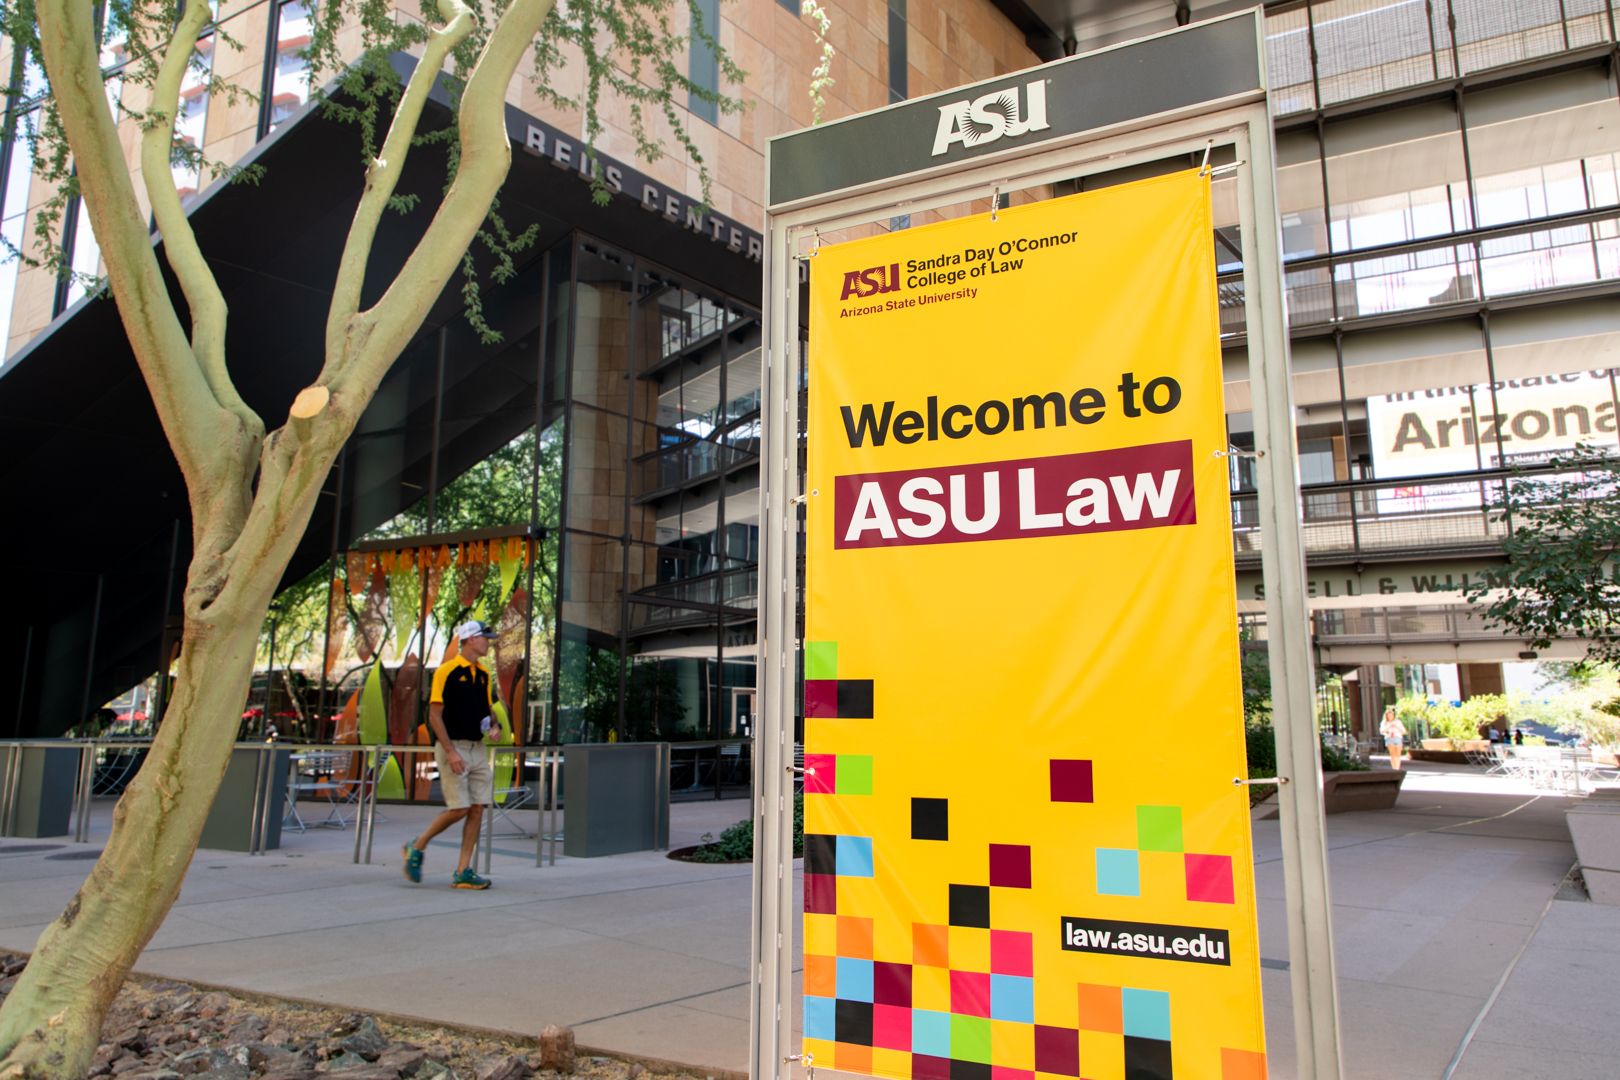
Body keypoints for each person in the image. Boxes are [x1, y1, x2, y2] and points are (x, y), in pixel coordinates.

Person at [402, 620, 500, 890]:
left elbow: (487, 710)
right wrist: (450, 751)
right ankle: (417, 846)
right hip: (453, 746)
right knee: (460, 808)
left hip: (477, 748)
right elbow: (434, 715)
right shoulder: (446, 672)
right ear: (470, 639)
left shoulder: (483, 674)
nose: (488, 642)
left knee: (478, 808)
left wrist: (495, 725)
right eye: (485, 638)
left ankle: (463, 870)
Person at [1379, 707, 1405, 772]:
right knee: (1393, 755)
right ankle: (1394, 768)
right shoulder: (1384, 722)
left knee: (1398, 755)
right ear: (1386, 716)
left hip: (1397, 737)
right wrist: (1389, 727)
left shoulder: (1397, 722)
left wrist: (1397, 727)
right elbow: (1382, 731)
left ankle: (1397, 768)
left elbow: (1404, 731)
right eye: (1388, 715)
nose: (1390, 716)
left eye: (1391, 715)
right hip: (1389, 738)